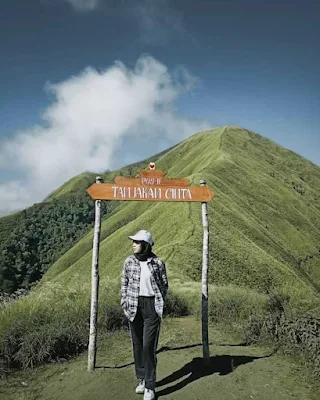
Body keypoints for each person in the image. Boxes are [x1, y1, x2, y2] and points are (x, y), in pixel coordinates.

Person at [121, 230, 168, 400]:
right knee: (138, 344)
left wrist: (159, 304)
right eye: (133, 241)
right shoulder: (129, 262)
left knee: (149, 346)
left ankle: (150, 386)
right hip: (134, 305)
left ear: (146, 245)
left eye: (137, 241)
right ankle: (141, 378)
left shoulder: (157, 263)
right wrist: (124, 303)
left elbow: (164, 285)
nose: (133, 244)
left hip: (151, 307)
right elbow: (124, 284)